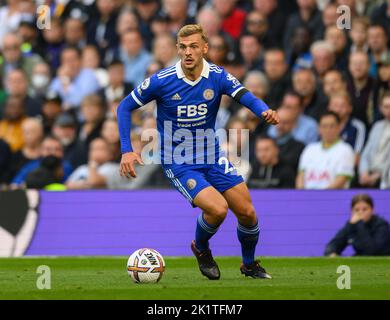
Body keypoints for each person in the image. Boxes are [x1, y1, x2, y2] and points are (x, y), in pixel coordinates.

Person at [117, 24, 279, 280]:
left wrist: (263, 110)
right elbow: (124, 107)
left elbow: (244, 95)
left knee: (247, 213)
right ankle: (201, 248)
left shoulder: (217, 76)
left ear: (205, 48)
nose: (188, 52)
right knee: (218, 209)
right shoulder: (162, 80)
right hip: (179, 161)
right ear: (178, 50)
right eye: (183, 47)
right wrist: (127, 150)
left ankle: (248, 265)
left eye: (193, 46)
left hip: (212, 156)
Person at [296, 111, 355, 189]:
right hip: (307, 197)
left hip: (333, 197)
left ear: (339, 127)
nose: (328, 130)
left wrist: (321, 197)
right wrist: (301, 195)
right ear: (319, 129)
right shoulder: (309, 149)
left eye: (332, 126)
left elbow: (341, 180)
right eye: (324, 126)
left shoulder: (346, 149)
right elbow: (301, 176)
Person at [325, 194, 390, 256]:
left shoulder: (381, 225)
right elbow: (333, 245)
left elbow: (372, 251)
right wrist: (332, 253)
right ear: (351, 211)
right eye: (356, 210)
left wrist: (360, 224)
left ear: (372, 210)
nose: (360, 213)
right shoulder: (351, 225)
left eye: (365, 209)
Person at [359, 92, 390, 188]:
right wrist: (364, 172)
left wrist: (377, 176)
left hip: (385, 177)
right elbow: (366, 153)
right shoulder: (377, 126)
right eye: (386, 106)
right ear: (381, 108)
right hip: (370, 173)